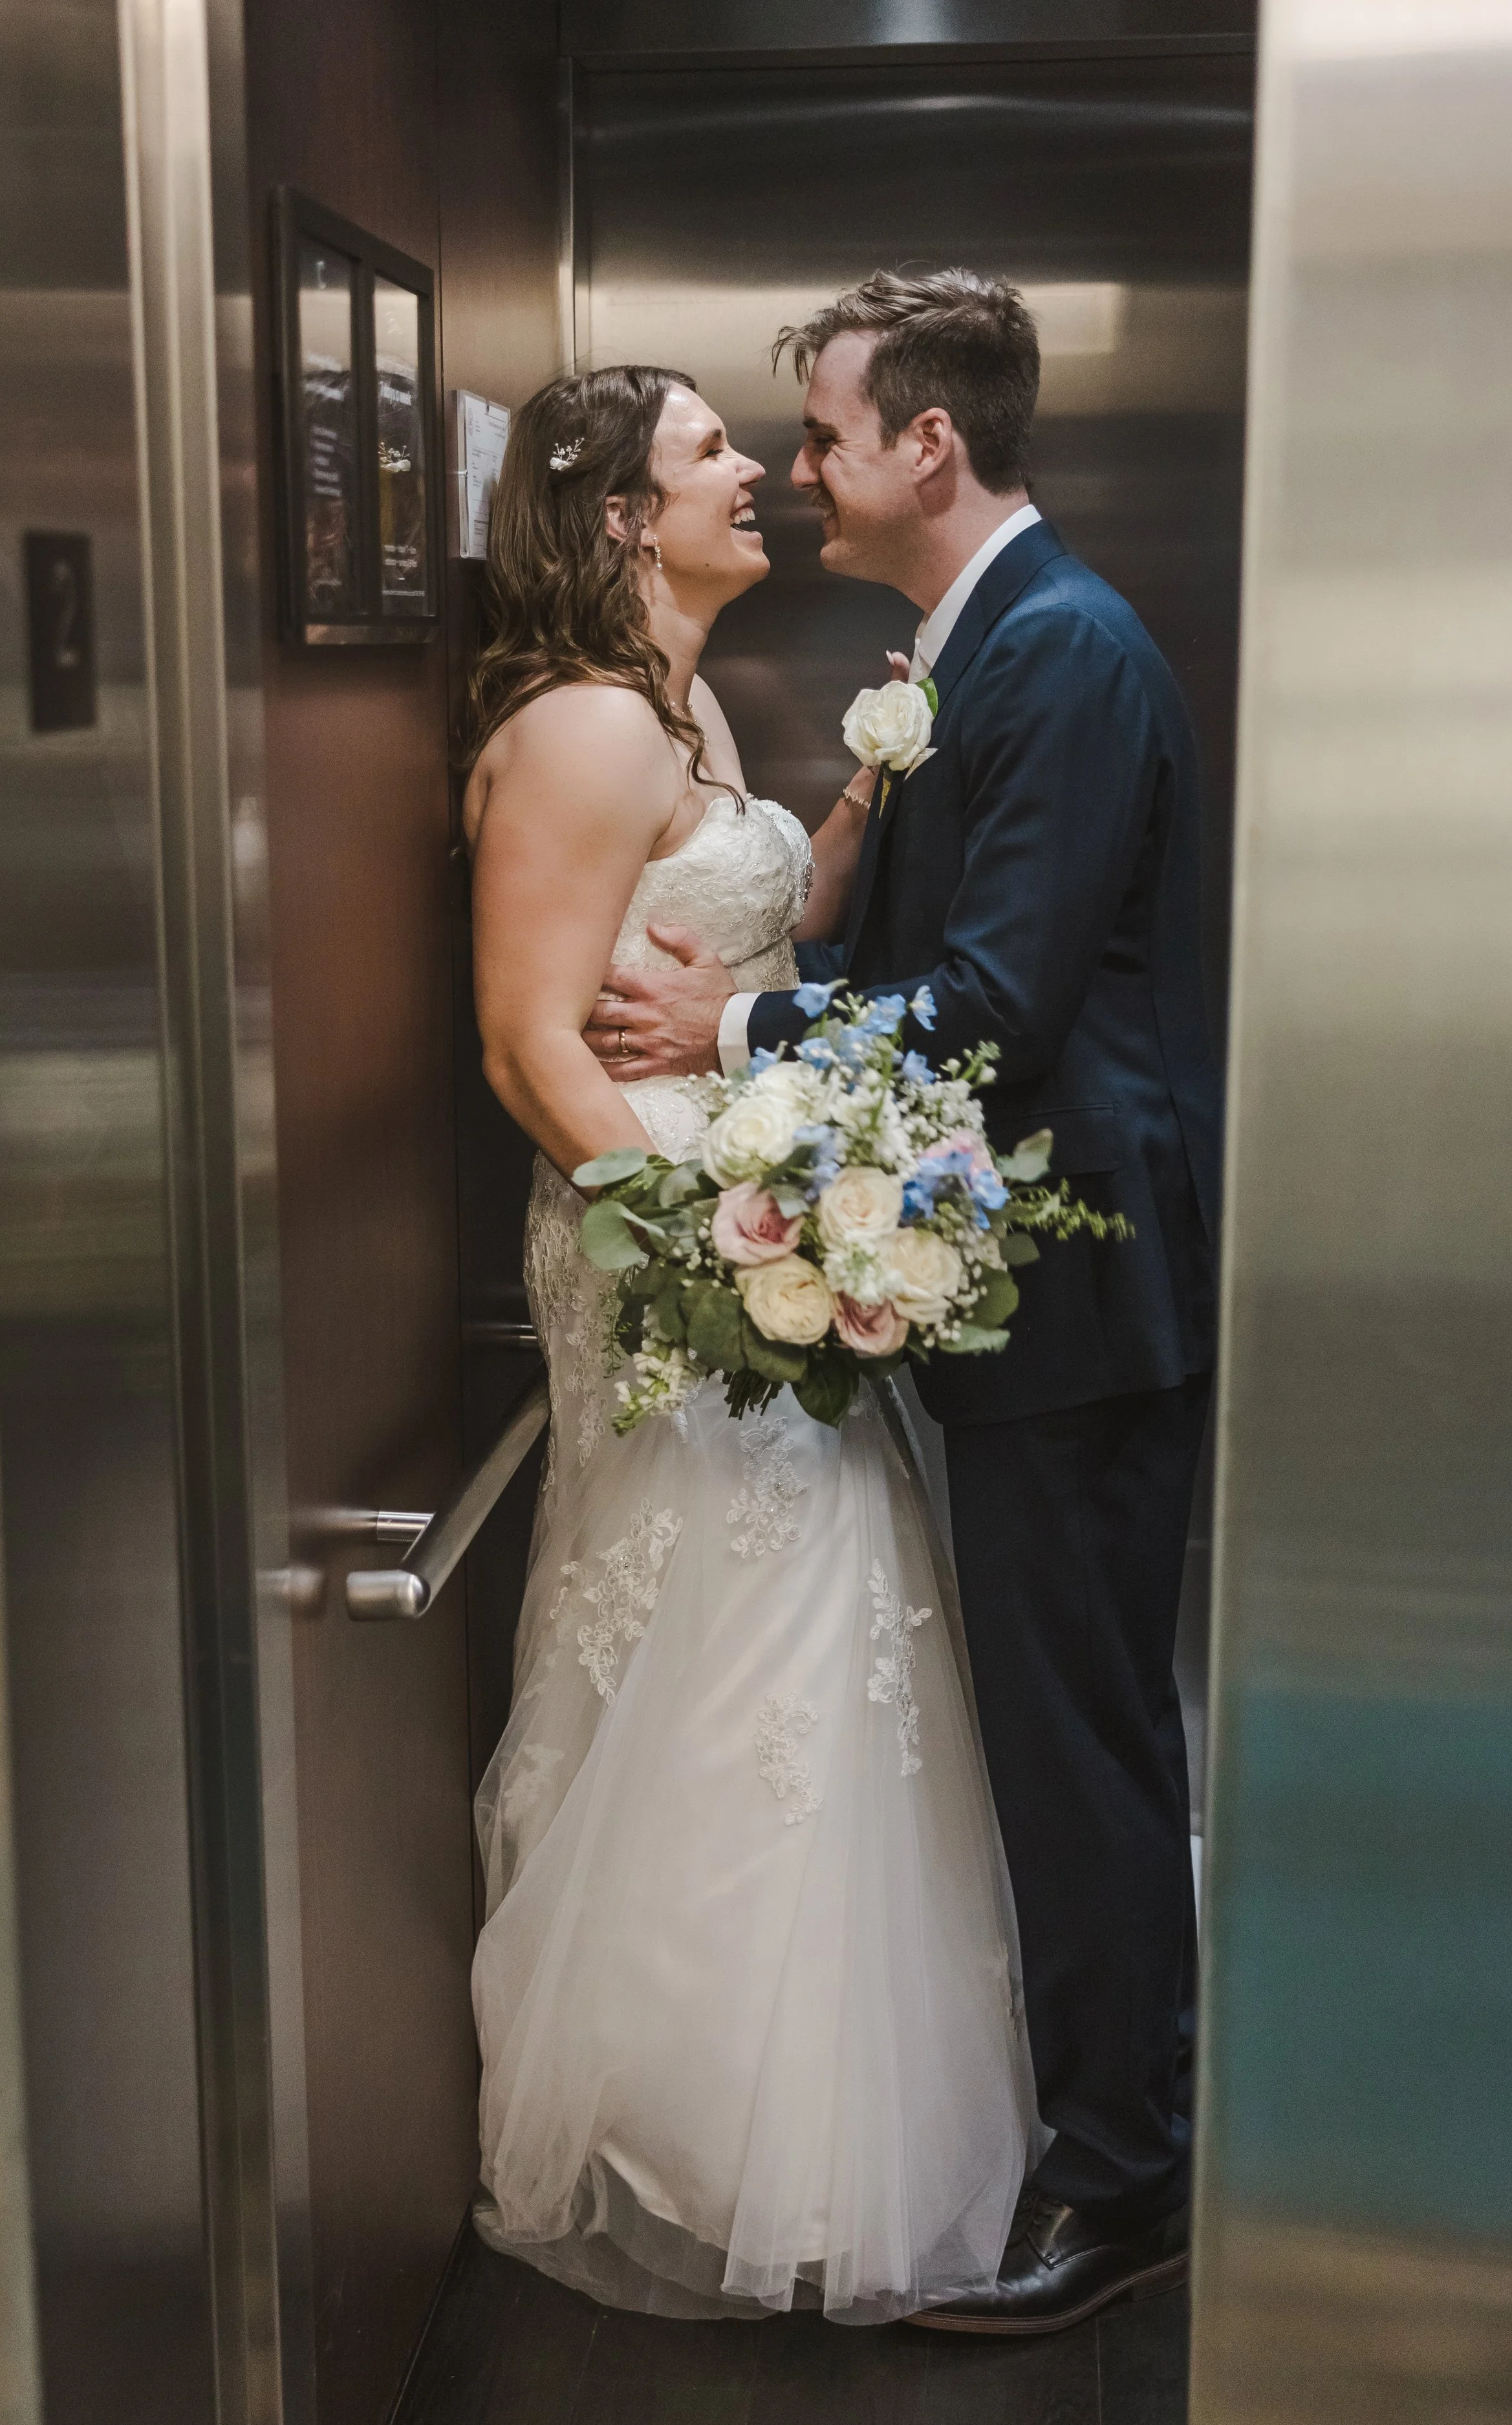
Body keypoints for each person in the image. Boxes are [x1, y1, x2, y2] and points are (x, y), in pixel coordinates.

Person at [585, 273, 1221, 2332]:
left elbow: (994, 1009)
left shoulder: (1061, 651)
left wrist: (728, 1024)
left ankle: (1124, 2179)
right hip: (1022, 1290)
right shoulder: (982, 645)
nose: (801, 471)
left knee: (1082, 1736)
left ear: (927, 444)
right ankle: (1103, 2121)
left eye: (828, 435)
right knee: (1059, 1723)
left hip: (1082, 1299)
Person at [462, 362, 1041, 2323]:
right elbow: (529, 1045)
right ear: (626, 516)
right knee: (716, 1618)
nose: (759, 479)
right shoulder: (576, 730)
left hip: (750, 1219)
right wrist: (707, 1245)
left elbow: (743, 930)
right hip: (663, 1251)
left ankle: (801, 2127)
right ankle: (679, 2123)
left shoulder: (685, 711)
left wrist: (863, 788)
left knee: (815, 1613)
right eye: (715, 452)